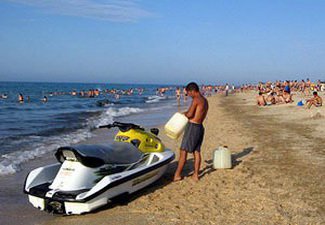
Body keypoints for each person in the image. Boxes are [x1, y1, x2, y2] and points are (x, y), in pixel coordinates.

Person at [173, 82, 209, 182]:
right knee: (196, 151)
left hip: (193, 127)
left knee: (183, 151)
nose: (188, 95)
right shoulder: (205, 100)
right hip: (200, 127)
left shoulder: (196, 99)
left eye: (188, 93)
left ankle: (177, 175)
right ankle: (196, 175)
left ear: (193, 91)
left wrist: (183, 114)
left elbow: (190, 114)